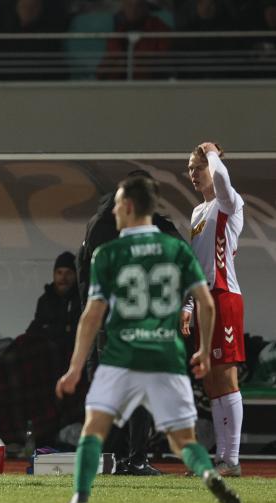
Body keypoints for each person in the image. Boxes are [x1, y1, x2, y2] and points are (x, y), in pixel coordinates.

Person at [53, 175, 241, 503]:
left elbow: (91, 315)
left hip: (121, 352)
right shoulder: (177, 248)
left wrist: (76, 365)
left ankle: (79, 502)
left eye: (116, 206)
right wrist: (200, 350)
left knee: (93, 428)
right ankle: (210, 474)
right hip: (165, 353)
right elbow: (206, 303)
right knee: (183, 440)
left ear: (126, 207)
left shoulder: (108, 252)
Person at [76, 170, 184, 476]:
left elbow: (84, 274)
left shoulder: (98, 224)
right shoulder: (154, 227)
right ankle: (135, 459)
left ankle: (113, 457)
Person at [181, 142, 245, 477]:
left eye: (199, 167)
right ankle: (220, 457)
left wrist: (215, 155)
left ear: (213, 167)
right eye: (190, 168)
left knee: (226, 377)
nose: (193, 173)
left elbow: (223, 184)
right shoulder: (196, 213)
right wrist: (188, 304)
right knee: (210, 382)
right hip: (204, 299)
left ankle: (231, 459)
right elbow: (196, 263)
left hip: (224, 296)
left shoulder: (229, 203)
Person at [98, 0, 172, 79]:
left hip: (151, 86)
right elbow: (103, 71)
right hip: (120, 87)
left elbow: (166, 62)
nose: (133, 10)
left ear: (146, 8)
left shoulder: (159, 29)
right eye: (129, 6)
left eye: (138, 6)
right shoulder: (118, 33)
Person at [26, 251, 80, 355]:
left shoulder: (83, 299)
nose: (63, 278)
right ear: (54, 274)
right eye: (59, 272)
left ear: (76, 275)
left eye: (68, 273)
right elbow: (33, 331)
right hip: (49, 358)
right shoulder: (44, 300)